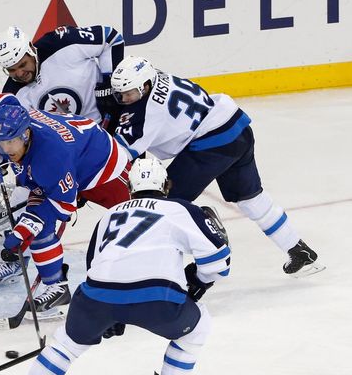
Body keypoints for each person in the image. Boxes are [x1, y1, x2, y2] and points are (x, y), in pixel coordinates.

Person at [8, 158, 229, 375]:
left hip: (95, 298)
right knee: (199, 327)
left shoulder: (108, 215)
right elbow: (219, 262)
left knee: (66, 344)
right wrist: (198, 281)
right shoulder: (180, 209)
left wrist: (111, 315)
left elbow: (95, 267)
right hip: (156, 299)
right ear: (165, 185)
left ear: (130, 187)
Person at [110, 56, 324, 277]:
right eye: (120, 94)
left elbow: (119, 154)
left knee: (162, 204)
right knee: (251, 199)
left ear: (145, 86)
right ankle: (298, 249)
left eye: (129, 94)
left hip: (211, 144)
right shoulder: (158, 75)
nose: (124, 99)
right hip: (236, 127)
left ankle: (202, 230)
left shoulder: (144, 113)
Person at [0, 93, 131, 313]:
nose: (6, 150)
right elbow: (1, 99)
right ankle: (31, 268)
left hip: (103, 169)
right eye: (0, 144)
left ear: (25, 135)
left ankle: (58, 288)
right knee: (20, 204)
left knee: (139, 219)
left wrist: (27, 227)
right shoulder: (9, 127)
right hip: (72, 157)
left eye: (10, 143)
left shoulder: (51, 157)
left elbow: (64, 206)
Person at [0, 24, 124, 129]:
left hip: (117, 122)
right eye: (12, 70)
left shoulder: (62, 42)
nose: (19, 74)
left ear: (31, 49)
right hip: (76, 149)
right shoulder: (13, 94)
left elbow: (111, 38)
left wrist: (110, 84)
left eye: (23, 65)